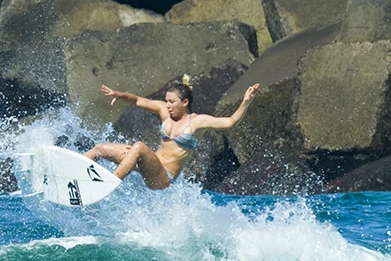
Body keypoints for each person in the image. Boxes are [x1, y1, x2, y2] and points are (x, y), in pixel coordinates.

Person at [85, 77, 261, 189]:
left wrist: (246, 101)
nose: (167, 105)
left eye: (171, 101)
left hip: (164, 177)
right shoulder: (164, 112)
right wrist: (119, 94)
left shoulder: (197, 122)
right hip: (150, 165)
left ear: (184, 102)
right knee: (100, 148)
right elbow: (139, 100)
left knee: (138, 147)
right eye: (166, 101)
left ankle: (108, 185)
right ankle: (71, 170)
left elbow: (230, 121)